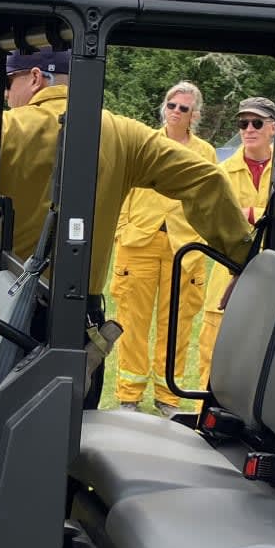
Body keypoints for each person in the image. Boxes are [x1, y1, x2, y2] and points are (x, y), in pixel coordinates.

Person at [0, 49, 251, 350]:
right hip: (79, 317)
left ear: (35, 78)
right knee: (75, 415)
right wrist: (241, 260)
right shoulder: (123, 134)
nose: (5, 93)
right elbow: (206, 179)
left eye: (9, 82)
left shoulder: (2, 128)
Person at [110, 80, 216, 410]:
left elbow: (210, 198)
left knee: (177, 324)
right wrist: (122, 228)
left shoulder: (205, 153)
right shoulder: (144, 142)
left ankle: (168, 396)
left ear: (193, 115)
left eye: (183, 108)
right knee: (132, 321)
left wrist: (200, 237)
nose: (175, 112)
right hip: (139, 241)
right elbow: (121, 187)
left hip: (184, 247)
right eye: (171, 105)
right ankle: (129, 395)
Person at [197, 96, 275, 380]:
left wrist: (248, 213)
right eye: (243, 123)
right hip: (227, 275)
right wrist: (268, 216)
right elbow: (217, 219)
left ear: (273, 128)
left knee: (264, 362)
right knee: (212, 358)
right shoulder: (222, 172)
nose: (248, 129)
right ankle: (200, 421)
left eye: (257, 122)